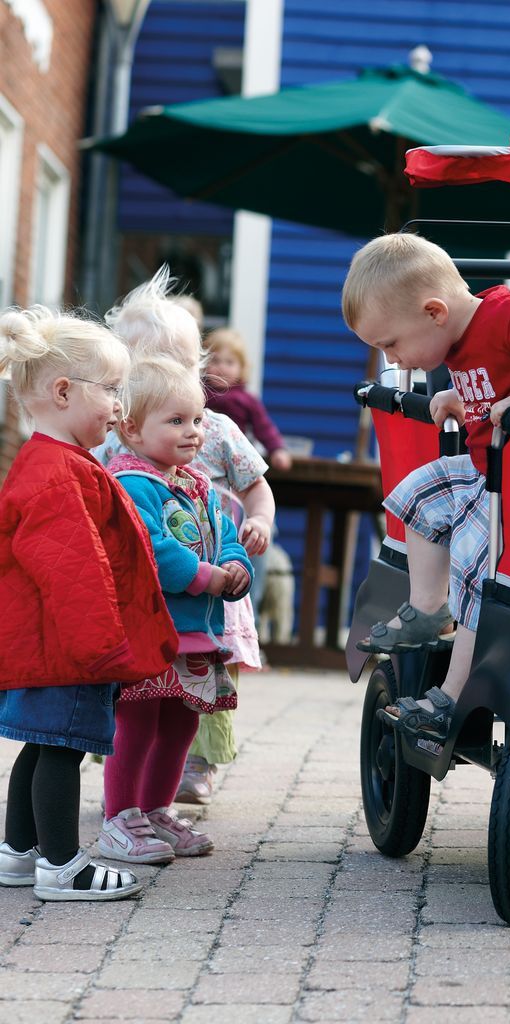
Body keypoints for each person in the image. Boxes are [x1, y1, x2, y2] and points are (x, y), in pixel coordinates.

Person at [342, 232, 510, 750]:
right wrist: (460, 396)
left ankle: (450, 696)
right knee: (414, 493)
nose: (399, 361)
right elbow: (493, 379)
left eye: (392, 345)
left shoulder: (507, 316)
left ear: (434, 311)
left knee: (478, 568)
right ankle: (429, 607)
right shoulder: (453, 340)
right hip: (485, 472)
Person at [0, 306, 177, 901]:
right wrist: (102, 647)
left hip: (50, 644)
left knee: (42, 743)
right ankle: (62, 866)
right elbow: (73, 570)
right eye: (111, 390)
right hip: (69, 647)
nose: (120, 406)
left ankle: (18, 853)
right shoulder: (59, 473)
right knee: (62, 750)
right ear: (62, 391)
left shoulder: (53, 464)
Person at [97, 269, 274, 804]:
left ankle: (192, 769)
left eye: (174, 364)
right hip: (152, 593)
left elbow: (250, 490)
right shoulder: (116, 439)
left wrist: (257, 524)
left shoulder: (214, 429)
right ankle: (130, 798)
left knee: (200, 688)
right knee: (141, 703)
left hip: (214, 585)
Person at [99, 356, 253, 862]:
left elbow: (225, 534)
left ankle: (156, 808)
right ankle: (120, 819)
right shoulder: (131, 485)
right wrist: (209, 577)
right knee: (138, 722)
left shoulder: (196, 485)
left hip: (194, 630)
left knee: (182, 724)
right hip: (151, 629)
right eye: (176, 421)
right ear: (132, 429)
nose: (193, 432)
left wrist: (236, 569)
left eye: (197, 420)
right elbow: (156, 551)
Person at [203, 327, 293, 472]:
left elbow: (264, 427)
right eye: (215, 361)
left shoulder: (246, 400)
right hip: (201, 458)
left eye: (229, 362)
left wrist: (277, 449)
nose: (221, 367)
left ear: (242, 367)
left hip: (234, 461)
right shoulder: (198, 395)